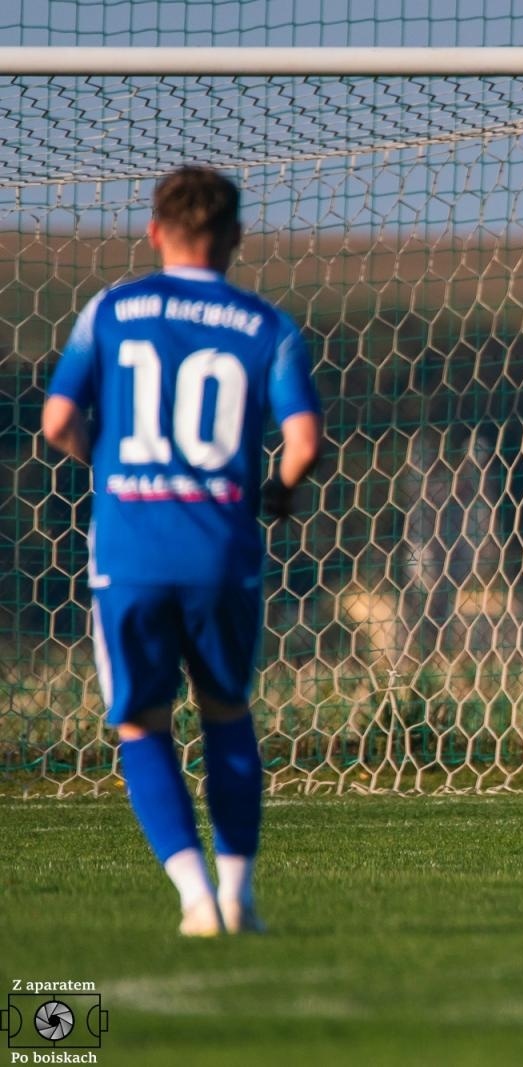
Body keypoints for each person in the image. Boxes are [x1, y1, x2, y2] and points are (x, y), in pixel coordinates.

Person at [41, 165, 324, 935]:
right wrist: (280, 493)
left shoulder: (110, 310)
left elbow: (57, 420)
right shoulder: (268, 326)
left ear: (154, 231)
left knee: (143, 723)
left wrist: (113, 464)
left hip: (129, 552)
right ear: (234, 237)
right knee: (227, 711)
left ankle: (195, 897)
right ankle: (239, 894)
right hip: (221, 553)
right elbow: (302, 441)